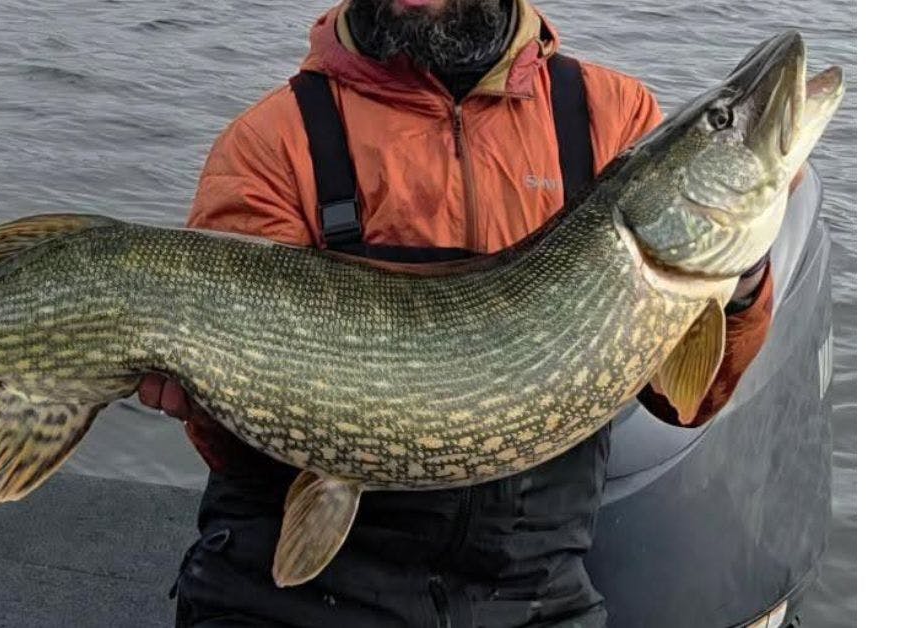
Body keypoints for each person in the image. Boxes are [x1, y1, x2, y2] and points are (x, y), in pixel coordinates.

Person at [139, 0, 777, 625]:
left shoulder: (608, 115)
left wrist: (740, 278)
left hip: (529, 591)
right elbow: (235, 447)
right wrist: (208, 396)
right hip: (295, 596)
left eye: (720, 126)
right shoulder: (275, 139)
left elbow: (683, 399)